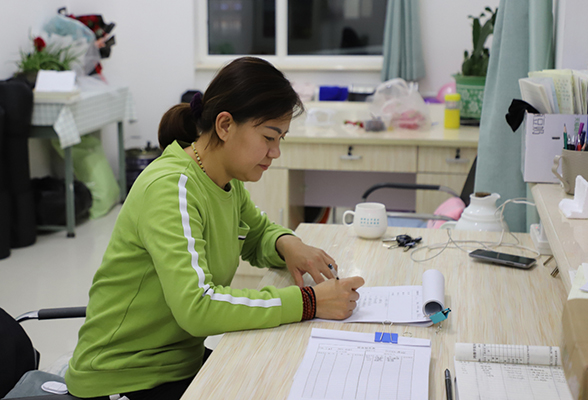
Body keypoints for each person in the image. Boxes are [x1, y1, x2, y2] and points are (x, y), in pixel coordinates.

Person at [65, 56, 365, 400]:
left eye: (281, 138)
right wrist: (308, 302)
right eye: (269, 137)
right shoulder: (170, 188)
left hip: (177, 364)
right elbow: (198, 307)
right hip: (124, 377)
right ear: (225, 125)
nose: (275, 152)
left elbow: (256, 234)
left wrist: (287, 243)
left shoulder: (224, 180)